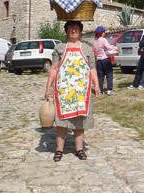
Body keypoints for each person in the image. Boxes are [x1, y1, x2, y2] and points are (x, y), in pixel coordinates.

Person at [44, 20, 100, 162]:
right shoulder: (60, 48)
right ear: (66, 31)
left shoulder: (87, 49)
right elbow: (54, 69)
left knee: (79, 122)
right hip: (63, 91)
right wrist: (48, 88)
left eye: (76, 28)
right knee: (62, 122)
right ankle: (59, 150)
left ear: (80, 31)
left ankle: (79, 149)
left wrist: (97, 85)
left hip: (81, 93)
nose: (73, 30)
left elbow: (92, 69)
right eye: (70, 28)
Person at [93, 26, 117, 95]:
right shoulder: (103, 39)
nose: (105, 33)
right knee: (109, 75)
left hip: (98, 61)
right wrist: (115, 48)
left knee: (100, 76)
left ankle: (100, 90)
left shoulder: (95, 41)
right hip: (105, 59)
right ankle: (109, 90)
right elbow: (108, 47)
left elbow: (94, 50)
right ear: (101, 33)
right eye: (104, 32)